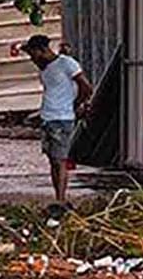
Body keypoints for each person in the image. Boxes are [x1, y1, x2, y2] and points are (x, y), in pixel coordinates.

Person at [19, 34, 93, 206]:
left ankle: (61, 199)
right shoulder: (45, 69)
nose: (32, 59)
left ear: (43, 50)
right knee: (53, 159)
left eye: (33, 54)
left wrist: (75, 105)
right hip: (48, 118)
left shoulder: (67, 64)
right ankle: (58, 196)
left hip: (62, 118)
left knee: (60, 160)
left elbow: (86, 87)